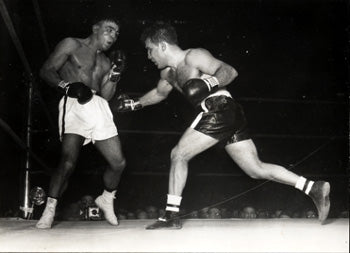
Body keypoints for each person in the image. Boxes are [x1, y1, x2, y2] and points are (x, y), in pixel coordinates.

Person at [116, 22, 331, 229]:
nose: (149, 56)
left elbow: (229, 71)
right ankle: (313, 187)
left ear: (163, 45)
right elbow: (159, 93)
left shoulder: (193, 56)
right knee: (255, 169)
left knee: (178, 154)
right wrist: (135, 104)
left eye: (150, 50)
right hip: (228, 115)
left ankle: (171, 215)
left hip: (219, 107)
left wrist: (207, 83)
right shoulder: (168, 74)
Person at [36, 17, 126, 229]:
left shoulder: (105, 62)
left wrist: (115, 74)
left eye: (116, 34)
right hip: (74, 102)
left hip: (98, 106)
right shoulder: (72, 44)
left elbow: (105, 95)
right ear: (95, 28)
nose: (113, 36)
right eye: (109, 30)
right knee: (68, 161)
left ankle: (106, 198)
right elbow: (46, 70)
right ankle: (49, 210)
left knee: (118, 162)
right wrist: (65, 86)